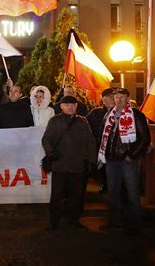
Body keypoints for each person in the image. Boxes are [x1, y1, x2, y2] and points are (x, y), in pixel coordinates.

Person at [98, 88, 150, 235]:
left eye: (122, 97)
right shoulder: (109, 114)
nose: (118, 100)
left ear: (128, 98)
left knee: (132, 193)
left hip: (128, 161)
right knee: (113, 193)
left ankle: (135, 225)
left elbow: (145, 138)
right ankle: (116, 222)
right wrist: (103, 154)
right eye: (116, 97)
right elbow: (103, 136)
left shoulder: (136, 115)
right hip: (111, 160)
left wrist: (131, 155)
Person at [42, 95, 96, 231]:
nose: (70, 107)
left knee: (76, 195)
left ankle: (74, 220)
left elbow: (90, 141)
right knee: (56, 195)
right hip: (60, 165)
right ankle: (53, 222)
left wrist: (91, 161)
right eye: (67, 105)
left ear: (76, 106)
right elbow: (46, 139)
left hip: (77, 166)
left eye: (73, 105)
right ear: (61, 106)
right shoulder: (55, 121)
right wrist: (50, 153)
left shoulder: (83, 121)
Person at [86, 87, 115, 193]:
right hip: (99, 147)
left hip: (115, 149)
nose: (113, 99)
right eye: (110, 97)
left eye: (114, 97)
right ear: (103, 99)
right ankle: (105, 185)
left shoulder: (121, 113)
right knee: (103, 168)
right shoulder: (95, 113)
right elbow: (85, 127)